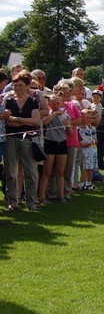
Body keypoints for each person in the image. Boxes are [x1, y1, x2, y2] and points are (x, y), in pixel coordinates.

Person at [3, 71, 41, 211]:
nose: (18, 87)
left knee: (30, 172)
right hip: (11, 138)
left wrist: (17, 119)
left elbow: (36, 121)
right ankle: (13, 202)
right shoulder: (9, 101)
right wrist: (25, 122)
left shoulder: (32, 101)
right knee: (11, 172)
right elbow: (8, 122)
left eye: (20, 85)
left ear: (27, 87)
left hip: (28, 139)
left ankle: (32, 203)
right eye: (15, 85)